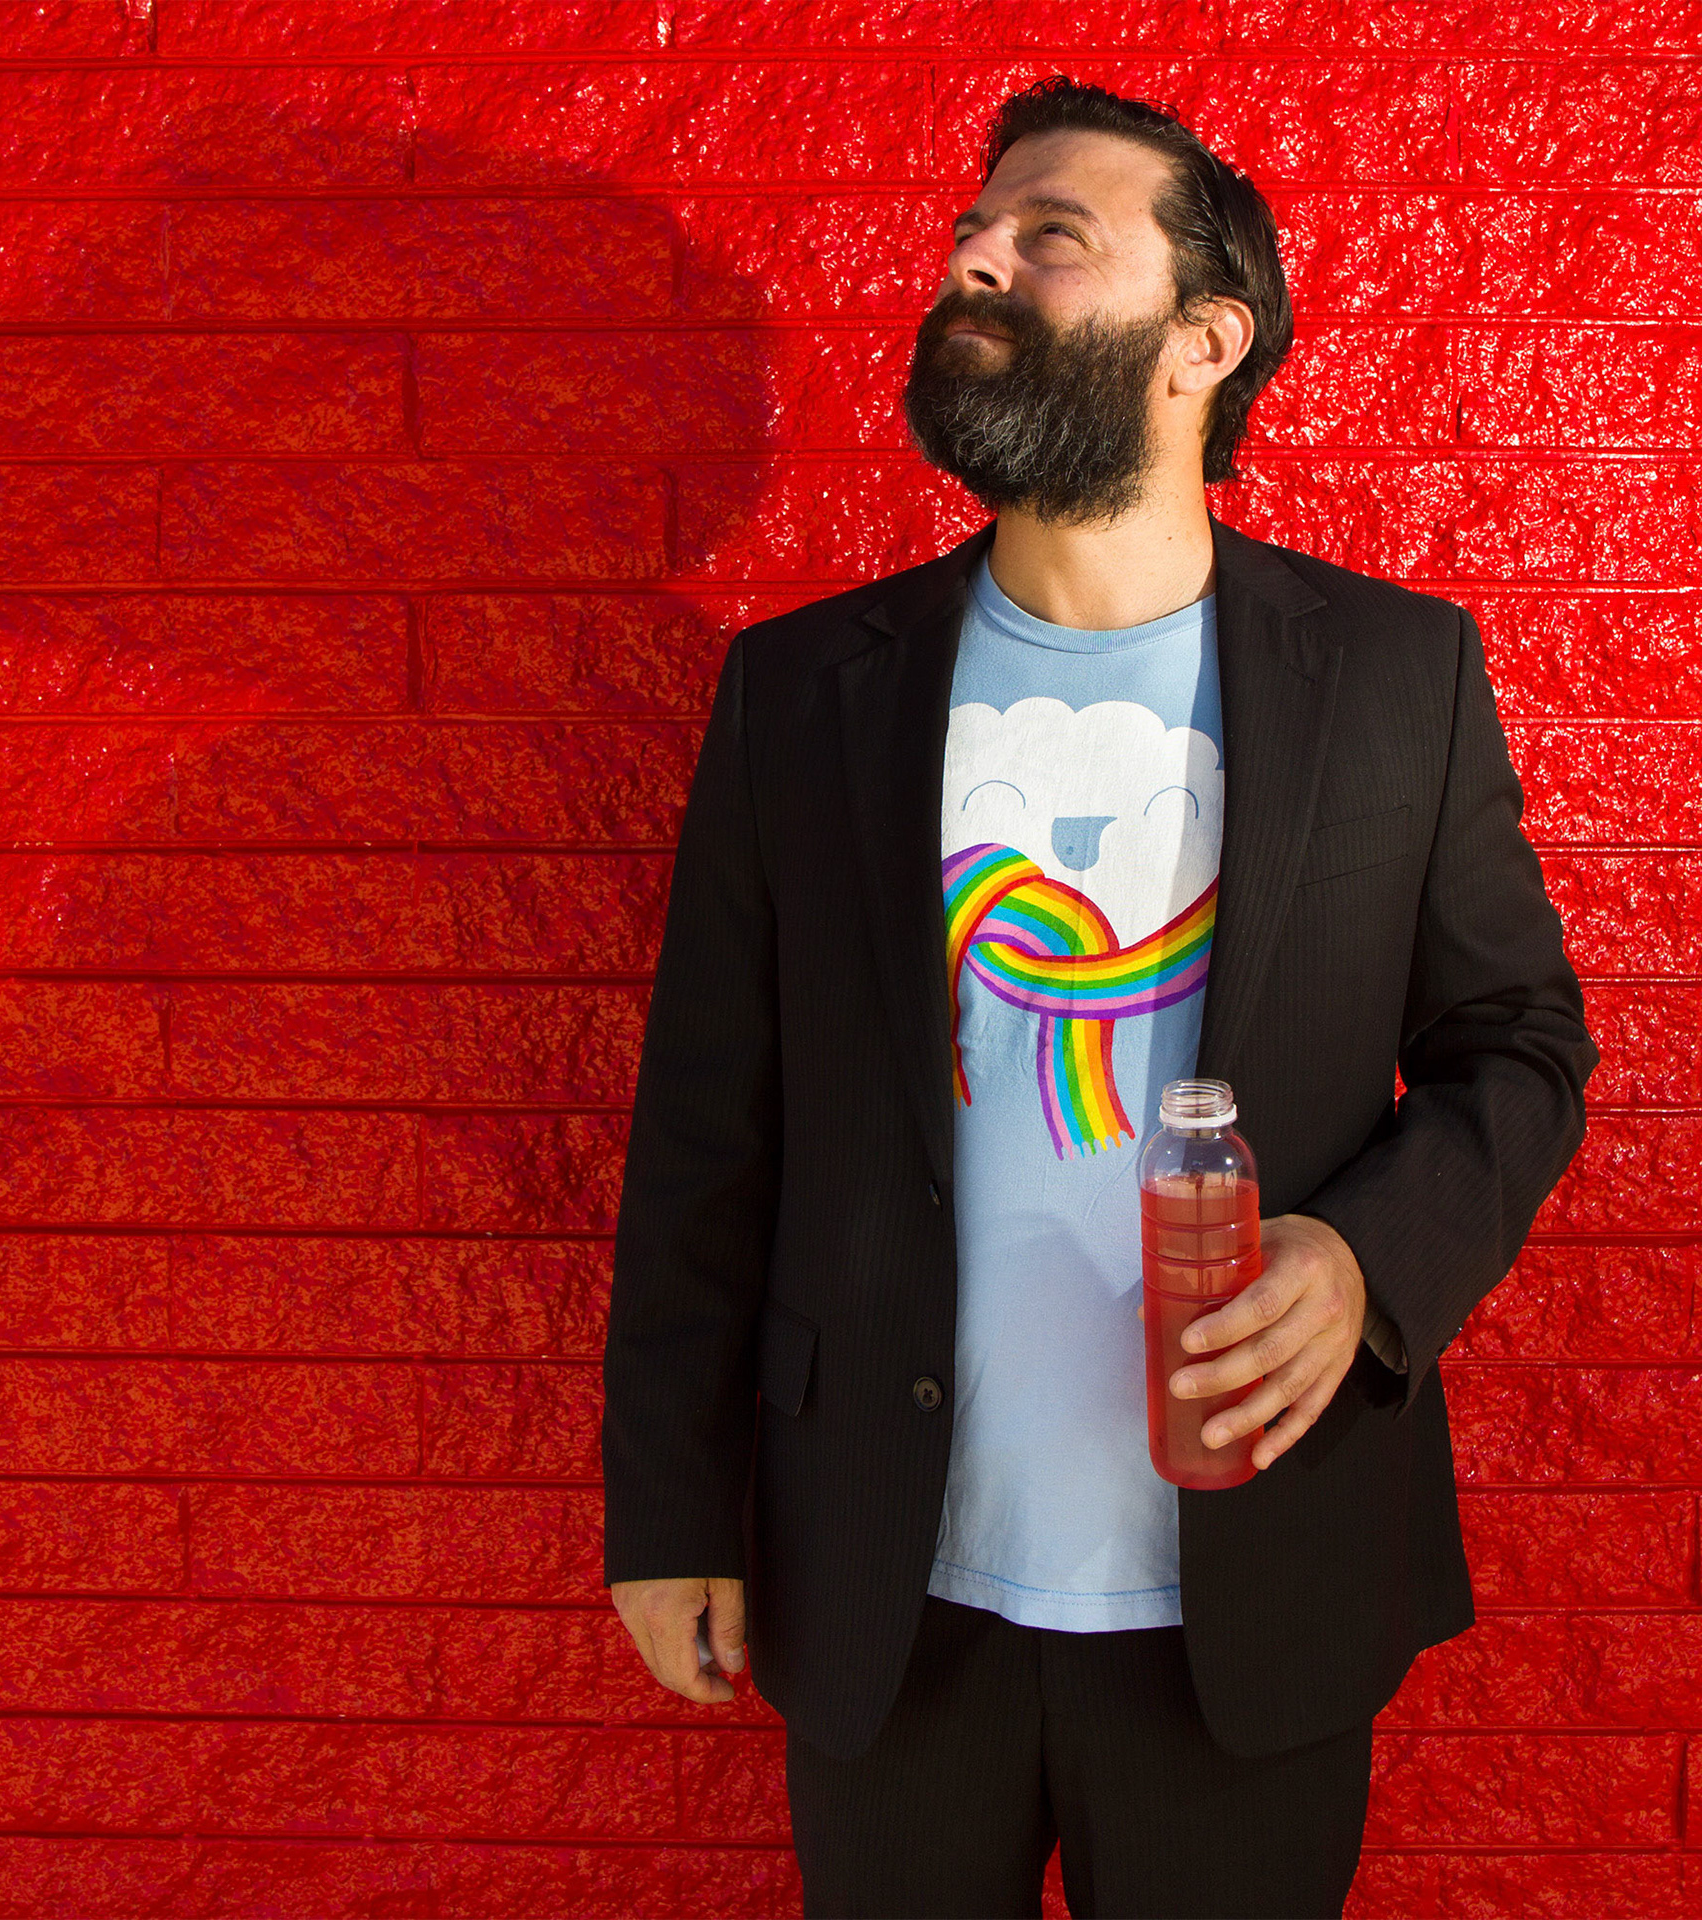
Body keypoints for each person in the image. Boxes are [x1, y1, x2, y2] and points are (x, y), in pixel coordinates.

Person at [599, 73, 1597, 1920]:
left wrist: (1366, 1262)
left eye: (1051, 237)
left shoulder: (1397, 676)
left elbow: (1518, 1047)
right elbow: (706, 1129)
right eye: (970, 237)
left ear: (1206, 338)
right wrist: (667, 1510)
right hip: (890, 1585)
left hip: (1256, 1584)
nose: (978, 263)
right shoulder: (807, 692)